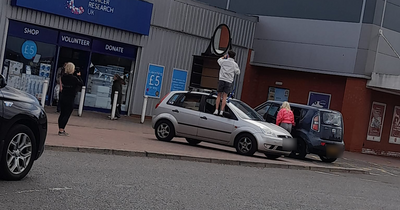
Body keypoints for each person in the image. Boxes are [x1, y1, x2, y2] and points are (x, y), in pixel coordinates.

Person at [58, 62, 83, 136]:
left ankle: (60, 128)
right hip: (70, 97)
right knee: (67, 114)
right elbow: (81, 83)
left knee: (62, 113)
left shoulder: (63, 77)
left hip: (63, 96)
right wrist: (79, 76)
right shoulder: (74, 78)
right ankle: (62, 130)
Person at [213, 50, 240, 116]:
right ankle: (221, 111)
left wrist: (223, 57)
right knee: (225, 96)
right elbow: (238, 72)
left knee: (219, 95)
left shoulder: (223, 61)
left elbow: (218, 60)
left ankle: (216, 110)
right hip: (229, 81)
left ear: (228, 55)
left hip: (222, 79)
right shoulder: (234, 64)